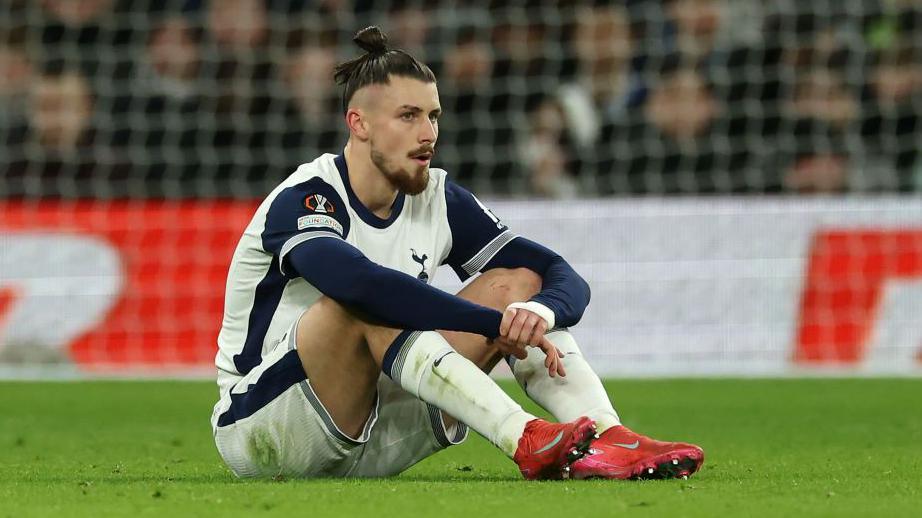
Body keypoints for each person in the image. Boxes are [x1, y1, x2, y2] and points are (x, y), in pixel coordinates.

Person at [210, 26, 704, 481]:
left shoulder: (438, 198)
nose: (428, 134)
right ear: (358, 124)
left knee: (514, 284)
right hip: (267, 428)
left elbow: (556, 272)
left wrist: (534, 313)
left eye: (433, 116)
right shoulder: (308, 197)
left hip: (380, 432)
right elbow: (361, 287)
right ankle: (524, 436)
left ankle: (605, 435)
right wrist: (493, 327)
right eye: (408, 116)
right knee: (365, 303)